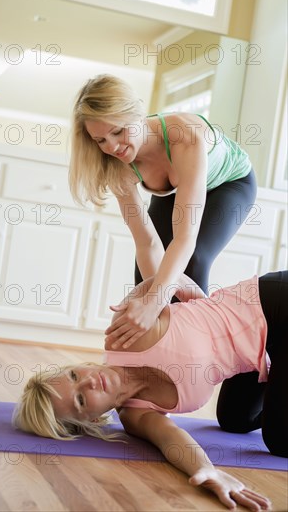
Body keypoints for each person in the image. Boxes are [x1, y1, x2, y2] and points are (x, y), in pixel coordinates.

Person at [14, 270, 287, 511]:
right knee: (234, 421)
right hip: (261, 351)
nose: (89, 382)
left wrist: (207, 310)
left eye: (74, 375)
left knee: (279, 440)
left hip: (273, 303)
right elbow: (171, 439)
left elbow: (172, 276)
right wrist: (206, 469)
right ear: (94, 419)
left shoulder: (124, 335)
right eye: (82, 399)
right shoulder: (136, 416)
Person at [69, 74, 257, 349]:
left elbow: (185, 239)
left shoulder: (185, 138)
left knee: (191, 263)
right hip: (175, 188)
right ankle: (152, 359)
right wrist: (153, 307)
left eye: (118, 131)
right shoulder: (114, 163)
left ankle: (200, 353)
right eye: (100, 140)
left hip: (229, 184)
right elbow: (146, 242)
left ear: (138, 115)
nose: (111, 147)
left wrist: (156, 303)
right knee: (149, 279)